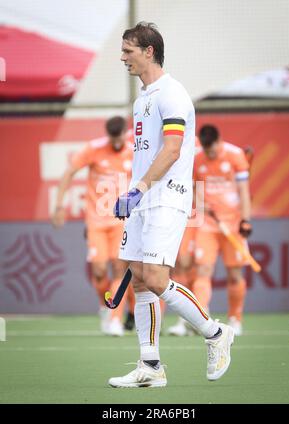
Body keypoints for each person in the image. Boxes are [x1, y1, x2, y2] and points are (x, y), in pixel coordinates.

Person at [108, 22, 234, 388]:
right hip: (143, 198)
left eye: (128, 50)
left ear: (149, 51)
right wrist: (132, 192)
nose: (122, 57)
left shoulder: (172, 94)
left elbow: (173, 150)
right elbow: (145, 154)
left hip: (166, 197)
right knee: (139, 277)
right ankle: (150, 367)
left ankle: (215, 333)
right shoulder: (141, 98)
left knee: (158, 279)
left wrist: (139, 189)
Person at [51, 116, 135, 336]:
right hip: (96, 221)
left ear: (125, 134)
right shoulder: (93, 149)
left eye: (120, 139)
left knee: (119, 268)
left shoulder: (134, 151)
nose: (117, 144)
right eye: (113, 139)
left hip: (122, 221)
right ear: (108, 135)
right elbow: (68, 173)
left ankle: (115, 317)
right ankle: (104, 307)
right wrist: (59, 206)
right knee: (98, 271)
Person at [191, 124, 252, 336]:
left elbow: (244, 192)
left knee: (234, 274)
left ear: (219, 141)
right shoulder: (197, 159)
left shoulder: (236, 156)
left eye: (212, 150)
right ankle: (201, 317)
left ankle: (235, 318)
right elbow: (193, 189)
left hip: (233, 225)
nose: (210, 154)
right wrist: (201, 204)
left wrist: (245, 220)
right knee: (203, 270)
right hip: (208, 224)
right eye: (206, 150)